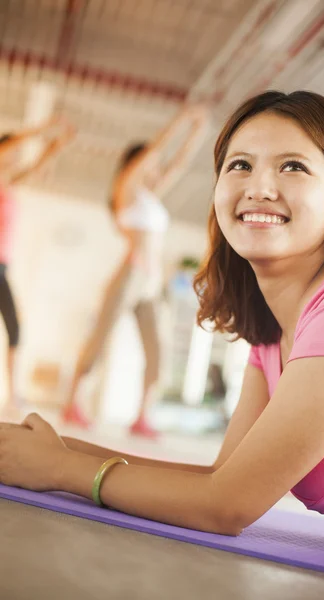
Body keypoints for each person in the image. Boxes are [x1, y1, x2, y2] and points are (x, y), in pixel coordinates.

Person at [0, 90, 324, 558]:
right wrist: (60, 448)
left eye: (293, 166)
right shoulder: (271, 332)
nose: (259, 187)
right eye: (240, 165)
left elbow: (227, 504)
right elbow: (222, 474)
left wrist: (58, 469)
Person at [61, 104, 210, 434]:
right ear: (138, 163)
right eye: (152, 163)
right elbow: (157, 148)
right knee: (100, 339)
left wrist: (198, 130)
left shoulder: (150, 196)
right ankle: (72, 402)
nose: (158, 168)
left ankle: (142, 416)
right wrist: (182, 118)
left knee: (157, 348)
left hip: (152, 284)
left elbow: (180, 162)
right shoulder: (125, 190)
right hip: (131, 273)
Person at [0, 118, 75, 416]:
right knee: (15, 330)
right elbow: (11, 145)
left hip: (3, 268)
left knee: (15, 330)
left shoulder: (10, 183)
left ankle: (12, 396)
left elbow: (36, 164)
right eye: (12, 153)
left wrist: (57, 145)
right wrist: (44, 128)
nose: (17, 159)